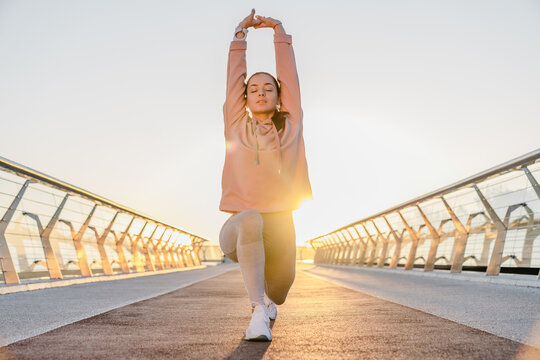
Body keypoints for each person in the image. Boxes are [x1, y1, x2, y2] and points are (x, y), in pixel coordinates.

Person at [219, 9, 312, 341]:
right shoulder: (236, 125)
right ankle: (257, 311)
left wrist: (279, 31)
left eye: (268, 88)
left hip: (282, 222)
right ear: (245, 98)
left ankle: (269, 302)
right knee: (250, 219)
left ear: (278, 96)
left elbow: (290, 77)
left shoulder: (290, 126)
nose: (260, 92)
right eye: (254, 88)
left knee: (282, 289)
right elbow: (234, 80)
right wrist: (239, 36)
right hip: (241, 226)